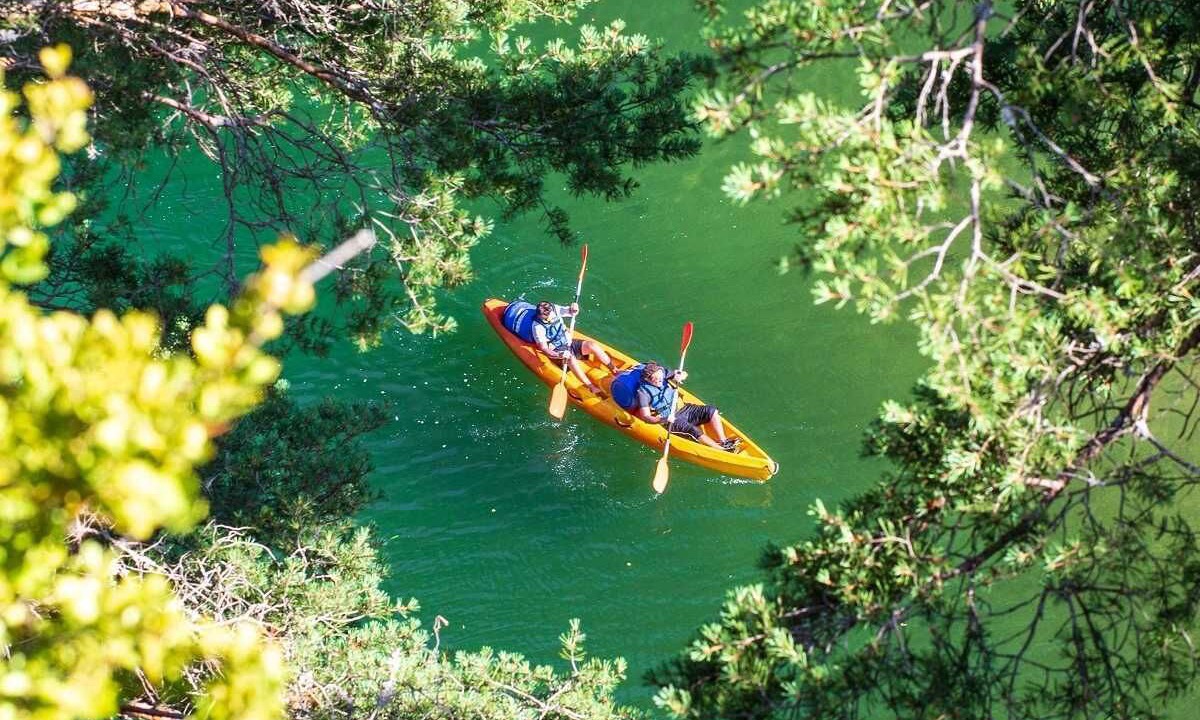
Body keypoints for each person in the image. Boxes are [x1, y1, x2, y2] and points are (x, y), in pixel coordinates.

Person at [610, 361, 740, 452]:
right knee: (692, 430)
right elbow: (646, 417)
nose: (661, 381)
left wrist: (680, 375)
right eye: (657, 380)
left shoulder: (661, 373)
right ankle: (722, 450)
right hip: (671, 418)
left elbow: (679, 374)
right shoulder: (643, 393)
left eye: (661, 378)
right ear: (648, 379)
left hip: (684, 408)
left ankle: (723, 441)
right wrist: (663, 420)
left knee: (711, 410)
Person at [501, 299, 618, 395]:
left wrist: (574, 309)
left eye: (551, 316)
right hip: (556, 350)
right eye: (547, 319)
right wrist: (560, 355)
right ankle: (591, 386)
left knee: (592, 345)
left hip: (568, 342)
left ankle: (614, 369)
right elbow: (544, 349)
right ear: (541, 317)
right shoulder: (537, 327)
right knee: (571, 358)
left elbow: (570, 311)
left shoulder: (554, 309)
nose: (551, 319)